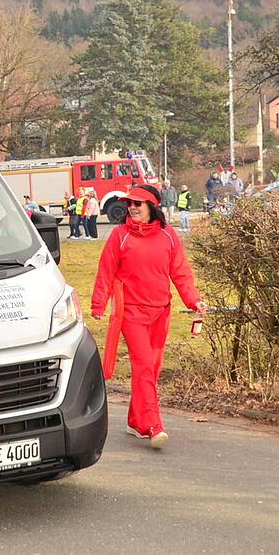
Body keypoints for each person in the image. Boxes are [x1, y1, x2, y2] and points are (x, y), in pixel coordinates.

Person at [90, 185, 206, 449]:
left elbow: (180, 273)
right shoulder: (119, 236)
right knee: (143, 366)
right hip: (131, 314)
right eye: (130, 203)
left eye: (138, 204)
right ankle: (153, 425)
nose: (132, 207)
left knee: (150, 370)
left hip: (160, 313)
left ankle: (135, 420)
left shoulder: (168, 236)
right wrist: (98, 305)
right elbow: (105, 271)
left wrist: (194, 300)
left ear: (152, 207)